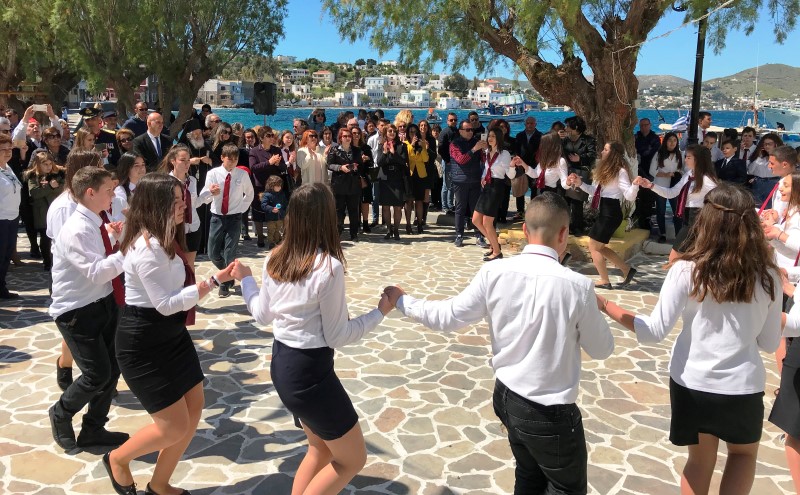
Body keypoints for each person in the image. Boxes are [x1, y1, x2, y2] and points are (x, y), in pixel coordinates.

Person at [384, 192, 614, 495]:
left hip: (507, 397)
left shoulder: (494, 272)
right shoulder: (578, 287)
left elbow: (448, 316)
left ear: (525, 230)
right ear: (564, 234)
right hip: (549, 411)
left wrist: (403, 301)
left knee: (529, 476)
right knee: (566, 488)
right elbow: (602, 349)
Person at [598, 184, 781, 495]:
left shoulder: (685, 270)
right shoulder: (768, 275)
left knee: (699, 461)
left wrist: (606, 306)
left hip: (692, 382)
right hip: (742, 385)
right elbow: (768, 343)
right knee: (743, 456)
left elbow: (652, 331)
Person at [233, 183, 394, 495]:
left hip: (283, 365)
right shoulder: (328, 268)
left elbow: (262, 315)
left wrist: (247, 280)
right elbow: (338, 335)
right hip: (311, 375)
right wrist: (380, 312)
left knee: (319, 448)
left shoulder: (275, 256)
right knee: (352, 459)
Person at [104, 174, 234, 495]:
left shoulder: (163, 237)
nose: (183, 205)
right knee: (173, 426)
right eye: (175, 201)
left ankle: (160, 484)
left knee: (194, 408)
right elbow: (164, 304)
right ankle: (117, 459)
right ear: (156, 205)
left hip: (171, 336)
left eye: (181, 199)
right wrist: (212, 282)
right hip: (143, 344)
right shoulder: (146, 248)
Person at [48, 167, 129, 452]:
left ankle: (94, 428)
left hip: (103, 302)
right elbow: (97, 272)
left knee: (112, 367)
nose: (113, 195)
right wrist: (128, 251)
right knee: (96, 374)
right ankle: (61, 413)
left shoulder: (95, 222)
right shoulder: (77, 229)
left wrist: (114, 239)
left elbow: (100, 256)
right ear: (91, 193)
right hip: (77, 312)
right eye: (108, 190)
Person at [47, 150, 105, 390]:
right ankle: (66, 366)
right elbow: (71, 247)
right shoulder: (64, 207)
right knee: (77, 336)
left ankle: (100, 380)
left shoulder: (91, 200)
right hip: (75, 278)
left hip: (94, 280)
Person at [567, 141, 639, 289]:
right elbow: (595, 192)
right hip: (605, 210)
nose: (602, 152)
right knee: (599, 247)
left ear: (613, 153)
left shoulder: (620, 171)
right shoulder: (606, 169)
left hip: (611, 212)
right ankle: (627, 270)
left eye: (606, 150)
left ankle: (605, 281)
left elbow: (629, 195)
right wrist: (580, 183)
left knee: (594, 246)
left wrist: (635, 185)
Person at [637, 144, 718, 263]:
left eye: (688, 157)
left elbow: (719, 198)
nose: (685, 160)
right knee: (681, 258)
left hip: (698, 218)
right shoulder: (688, 175)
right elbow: (671, 193)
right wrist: (651, 186)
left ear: (698, 159)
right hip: (687, 219)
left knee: (677, 257)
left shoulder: (707, 180)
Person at [201, 143, 254, 297]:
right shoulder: (213, 174)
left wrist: (240, 209)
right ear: (222, 158)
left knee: (229, 252)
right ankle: (229, 274)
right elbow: (204, 197)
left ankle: (224, 283)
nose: (232, 162)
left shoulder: (242, 175)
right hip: (217, 217)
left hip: (234, 218)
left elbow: (249, 194)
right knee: (213, 253)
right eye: (229, 159)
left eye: (235, 159)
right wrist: (211, 193)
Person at [472, 128, 515, 262]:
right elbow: (487, 168)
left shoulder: (504, 154)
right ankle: (494, 244)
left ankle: (496, 251)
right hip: (487, 186)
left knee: (487, 222)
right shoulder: (487, 152)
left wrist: (512, 166)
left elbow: (510, 175)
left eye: (493, 136)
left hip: (497, 187)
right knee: (476, 220)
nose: (490, 139)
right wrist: (483, 177)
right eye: (489, 136)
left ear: (499, 138)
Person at [24, 150, 65, 270]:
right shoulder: (33, 177)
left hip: (56, 210)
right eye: (45, 164)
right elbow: (34, 193)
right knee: (45, 238)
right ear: (38, 165)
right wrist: (50, 187)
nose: (48, 167)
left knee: (58, 236)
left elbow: (63, 188)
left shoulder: (58, 174)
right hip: (42, 212)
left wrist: (53, 188)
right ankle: (47, 262)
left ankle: (57, 260)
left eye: (50, 164)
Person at [450, 120, 488, 247]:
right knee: (460, 208)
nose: (470, 132)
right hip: (460, 180)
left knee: (476, 209)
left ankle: (479, 235)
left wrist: (485, 150)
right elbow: (461, 159)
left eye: (472, 130)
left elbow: (484, 160)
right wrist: (474, 149)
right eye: (467, 130)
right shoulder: (454, 144)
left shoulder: (476, 142)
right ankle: (459, 235)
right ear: (460, 131)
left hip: (475, 179)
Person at [249, 126, 285, 248]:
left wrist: (278, 164)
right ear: (261, 138)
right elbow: (253, 168)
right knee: (258, 212)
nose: (271, 138)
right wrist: (269, 162)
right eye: (268, 136)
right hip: (260, 186)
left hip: (274, 188)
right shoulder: (254, 151)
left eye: (272, 135)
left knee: (274, 211)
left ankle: (274, 237)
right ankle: (260, 236)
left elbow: (284, 168)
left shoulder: (276, 150)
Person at [327, 128, 364, 242]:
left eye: (349, 136)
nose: (347, 138)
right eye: (345, 136)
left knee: (354, 210)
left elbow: (361, 166)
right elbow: (329, 165)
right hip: (339, 184)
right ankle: (337, 232)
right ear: (340, 138)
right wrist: (340, 167)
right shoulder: (334, 149)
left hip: (353, 184)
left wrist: (356, 167)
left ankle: (354, 234)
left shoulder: (357, 150)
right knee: (339, 210)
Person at [562, 116, 597, 236]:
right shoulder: (565, 140)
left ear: (576, 127)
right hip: (567, 171)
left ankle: (577, 227)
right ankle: (566, 225)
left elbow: (592, 155)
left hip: (581, 172)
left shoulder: (588, 140)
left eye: (568, 126)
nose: (565, 128)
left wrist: (580, 158)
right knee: (565, 200)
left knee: (577, 201)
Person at [649, 132, 684, 243]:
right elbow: (652, 171)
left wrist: (678, 174)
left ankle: (679, 235)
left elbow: (684, 169)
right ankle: (662, 234)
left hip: (675, 186)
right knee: (661, 210)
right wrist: (666, 174)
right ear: (665, 141)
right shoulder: (659, 154)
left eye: (674, 140)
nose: (672, 143)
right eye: (670, 140)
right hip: (661, 185)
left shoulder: (680, 154)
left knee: (677, 211)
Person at [376, 124, 409, 240]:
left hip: (397, 178)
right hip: (385, 178)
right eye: (390, 131)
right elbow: (379, 162)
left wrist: (394, 153)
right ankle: (389, 229)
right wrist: (385, 152)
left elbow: (404, 161)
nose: (392, 133)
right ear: (386, 133)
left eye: (394, 131)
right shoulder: (381, 145)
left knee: (397, 207)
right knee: (385, 206)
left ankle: (396, 230)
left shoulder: (402, 146)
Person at [0, 133, 21, 298]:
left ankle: (1, 287)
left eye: (10, 149)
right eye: (3, 149)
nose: (8, 152)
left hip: (12, 218)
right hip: (1, 219)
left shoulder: (7, 168)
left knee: (6, 255)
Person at [513, 117, 542, 220]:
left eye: (532, 123)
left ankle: (533, 212)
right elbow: (516, 150)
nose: (529, 125)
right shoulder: (519, 135)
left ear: (535, 124)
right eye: (528, 123)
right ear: (525, 124)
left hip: (534, 166)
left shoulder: (541, 136)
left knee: (534, 189)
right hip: (521, 166)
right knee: (520, 189)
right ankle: (520, 211)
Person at [635, 118, 661, 231]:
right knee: (637, 195)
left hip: (650, 171)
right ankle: (637, 218)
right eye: (641, 125)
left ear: (650, 125)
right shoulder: (636, 137)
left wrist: (642, 153)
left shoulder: (655, 138)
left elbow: (653, 152)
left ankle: (646, 220)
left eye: (646, 125)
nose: (644, 127)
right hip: (637, 170)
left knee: (649, 197)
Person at [404, 123, 429, 235]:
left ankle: (419, 224)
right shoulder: (405, 144)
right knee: (409, 201)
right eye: (411, 132)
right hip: (409, 174)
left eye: (415, 132)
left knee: (419, 201)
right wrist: (412, 145)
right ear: (408, 133)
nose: (413, 134)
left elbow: (426, 159)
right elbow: (407, 158)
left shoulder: (421, 143)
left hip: (420, 175)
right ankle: (408, 224)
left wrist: (422, 147)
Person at [748, 133, 784, 206]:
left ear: (776, 144)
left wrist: (774, 154)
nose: (767, 146)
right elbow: (750, 171)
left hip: (773, 182)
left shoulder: (781, 158)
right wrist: (759, 157)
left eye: (769, 144)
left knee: (771, 206)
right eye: (765, 144)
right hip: (758, 183)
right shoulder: (761, 158)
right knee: (756, 206)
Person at [351, 126, 374, 234]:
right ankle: (356, 223)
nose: (356, 135)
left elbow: (371, 163)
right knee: (354, 201)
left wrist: (367, 159)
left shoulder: (366, 148)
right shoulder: (349, 148)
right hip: (352, 177)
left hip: (364, 176)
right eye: (354, 133)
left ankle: (365, 223)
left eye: (358, 133)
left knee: (365, 201)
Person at [110, 153, 146, 222]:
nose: (142, 168)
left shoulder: (147, 188)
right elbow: (118, 221)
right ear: (126, 168)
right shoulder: (120, 193)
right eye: (136, 165)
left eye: (143, 164)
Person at [438, 113, 459, 215]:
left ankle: (450, 205)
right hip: (448, 161)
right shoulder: (444, 132)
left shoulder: (457, 131)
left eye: (455, 120)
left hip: (456, 162)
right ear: (447, 121)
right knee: (446, 185)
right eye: (451, 120)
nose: (453, 122)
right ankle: (444, 206)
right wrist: (447, 160)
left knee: (453, 184)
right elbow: (441, 149)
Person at [260, 175, 287, 249]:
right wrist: (271, 209)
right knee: (271, 230)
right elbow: (264, 205)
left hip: (280, 217)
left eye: (280, 186)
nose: (279, 187)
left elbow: (285, 203)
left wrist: (284, 211)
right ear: (271, 186)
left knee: (278, 230)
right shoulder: (267, 195)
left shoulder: (282, 194)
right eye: (277, 186)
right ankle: (271, 243)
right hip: (271, 218)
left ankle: (277, 241)